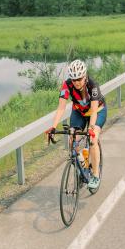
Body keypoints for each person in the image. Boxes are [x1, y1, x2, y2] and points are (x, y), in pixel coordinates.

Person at [47, 59, 106, 189]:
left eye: (79, 79)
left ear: (85, 76)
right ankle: (82, 168)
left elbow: (94, 110)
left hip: (97, 111)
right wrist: (53, 127)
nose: (77, 82)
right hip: (79, 111)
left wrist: (91, 129)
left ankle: (95, 175)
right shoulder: (67, 85)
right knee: (72, 141)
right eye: (74, 80)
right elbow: (61, 107)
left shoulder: (92, 86)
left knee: (93, 139)